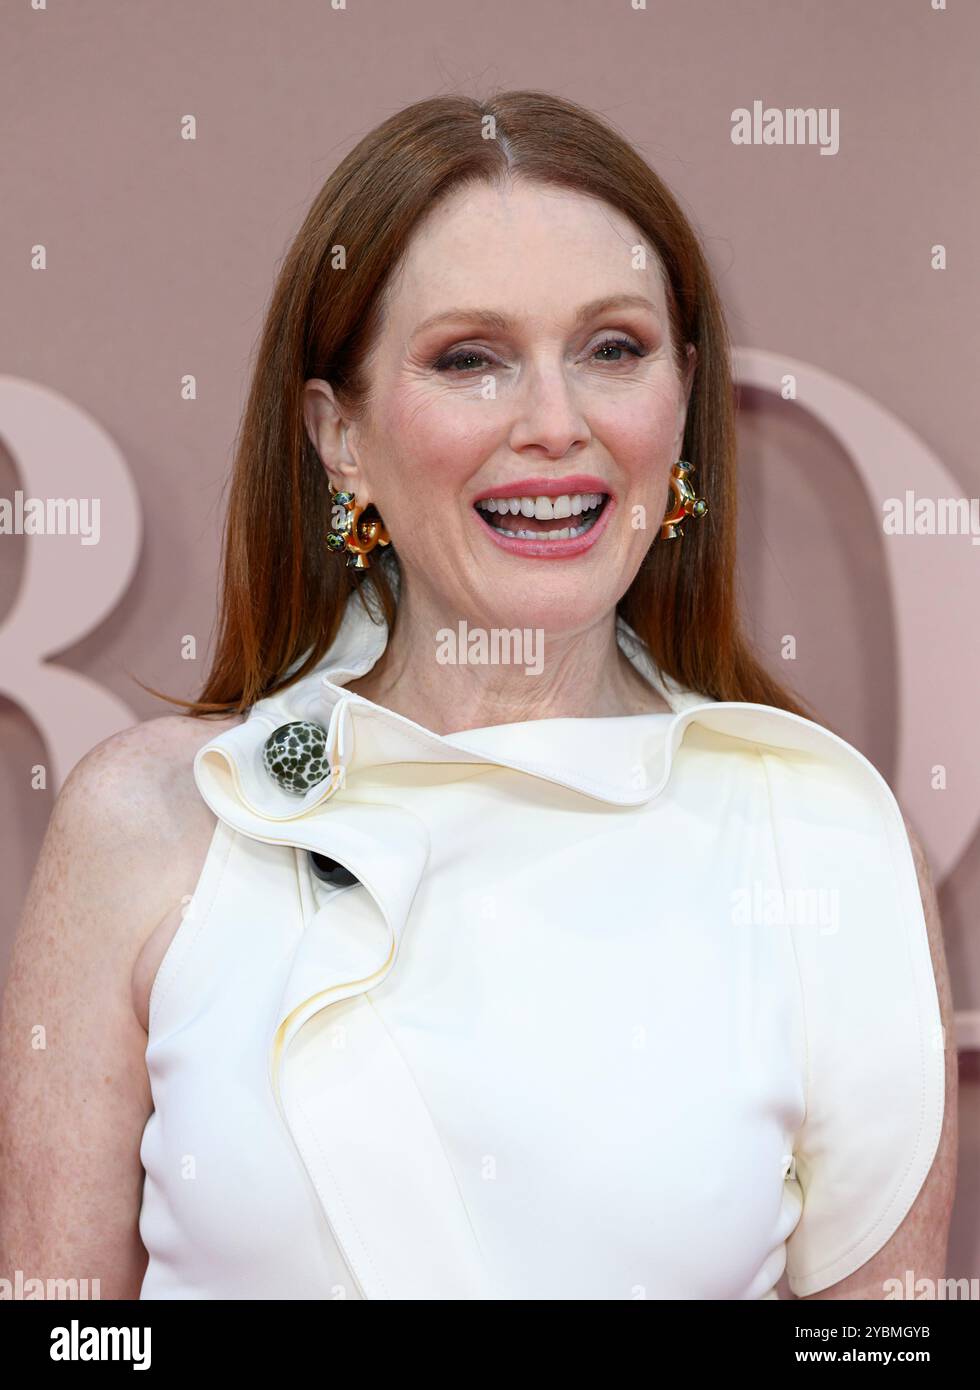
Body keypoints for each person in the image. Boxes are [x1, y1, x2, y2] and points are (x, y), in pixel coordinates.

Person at [0, 90, 956, 1301]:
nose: (554, 425)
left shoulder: (817, 838)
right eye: (471, 360)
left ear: (682, 407)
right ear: (336, 432)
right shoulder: (149, 824)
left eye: (612, 349)